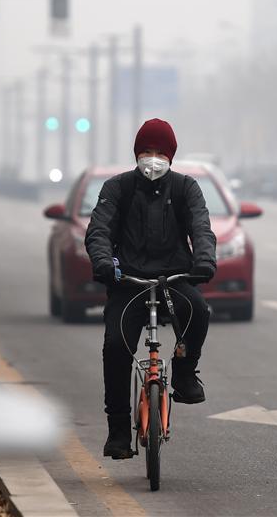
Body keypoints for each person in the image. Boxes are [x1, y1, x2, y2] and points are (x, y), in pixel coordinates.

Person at [86, 118, 217, 459]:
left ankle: (185, 374)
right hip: (128, 282)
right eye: (147, 151)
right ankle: (118, 431)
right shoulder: (117, 188)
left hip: (174, 278)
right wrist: (102, 262)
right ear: (136, 154)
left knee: (199, 312)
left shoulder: (186, 188)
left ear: (171, 156)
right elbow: (99, 230)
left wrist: (204, 261)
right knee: (115, 347)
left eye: (160, 152)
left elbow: (201, 227)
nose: (153, 158)